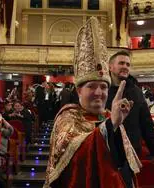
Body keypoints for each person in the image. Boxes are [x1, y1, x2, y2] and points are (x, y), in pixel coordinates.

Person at [44, 17, 141, 188]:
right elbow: (77, 160)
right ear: (79, 90)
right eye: (91, 86)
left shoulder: (111, 116)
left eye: (103, 87)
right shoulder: (67, 117)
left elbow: (122, 166)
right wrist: (111, 126)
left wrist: (115, 126)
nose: (99, 93)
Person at [106, 50, 154, 167]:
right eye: (121, 63)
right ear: (110, 67)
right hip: (106, 150)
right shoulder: (101, 89)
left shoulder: (136, 91)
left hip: (131, 152)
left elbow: (146, 123)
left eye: (128, 64)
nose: (125, 67)